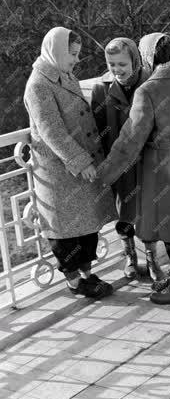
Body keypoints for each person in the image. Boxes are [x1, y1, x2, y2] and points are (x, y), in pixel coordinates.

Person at [96, 33, 170, 304]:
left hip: (162, 166)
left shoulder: (147, 91)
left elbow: (130, 140)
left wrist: (105, 173)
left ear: (148, 56)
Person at [23, 27, 115, 298]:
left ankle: (87, 275)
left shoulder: (63, 74)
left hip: (79, 166)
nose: (76, 60)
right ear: (57, 51)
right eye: (72, 54)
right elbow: (52, 131)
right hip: (60, 171)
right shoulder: (39, 84)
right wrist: (80, 160)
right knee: (65, 230)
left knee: (86, 225)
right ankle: (75, 281)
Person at [90, 38, 167, 282]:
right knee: (125, 213)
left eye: (122, 63)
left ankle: (153, 261)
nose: (117, 69)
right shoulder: (101, 89)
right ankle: (130, 258)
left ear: (134, 59)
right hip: (120, 163)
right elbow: (98, 129)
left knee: (148, 212)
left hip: (147, 160)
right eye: (111, 64)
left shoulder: (151, 84)